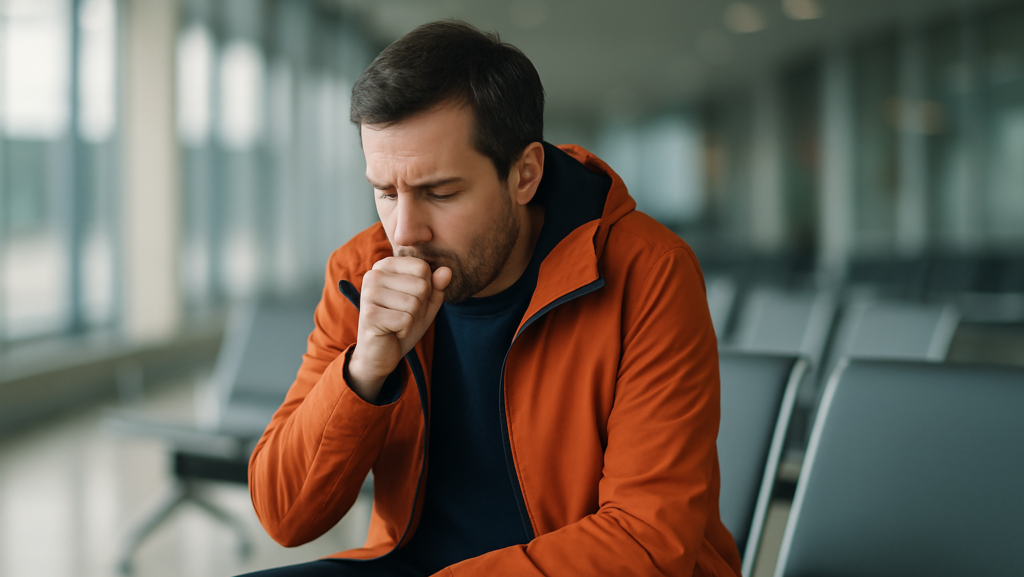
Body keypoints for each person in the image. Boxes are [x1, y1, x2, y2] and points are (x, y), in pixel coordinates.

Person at [243, 19, 741, 577]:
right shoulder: (362, 272)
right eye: (385, 192)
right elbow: (284, 515)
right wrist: (364, 370)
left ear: (524, 174)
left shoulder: (650, 272)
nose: (405, 231)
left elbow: (645, 542)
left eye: (440, 192)